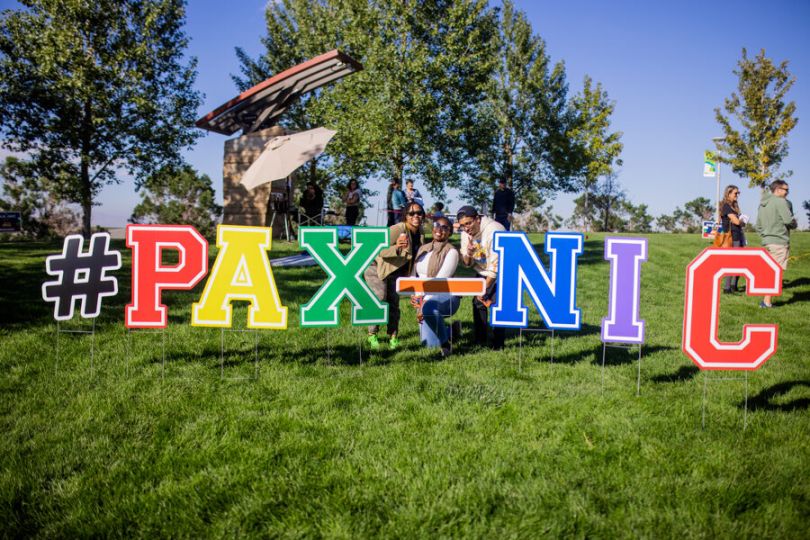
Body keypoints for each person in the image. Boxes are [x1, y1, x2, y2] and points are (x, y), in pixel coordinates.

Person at [364, 201, 425, 350]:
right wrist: (397, 248)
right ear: (405, 216)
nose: (415, 216)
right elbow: (377, 250)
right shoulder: (397, 229)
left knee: (394, 304)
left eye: (419, 213)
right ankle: (372, 335)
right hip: (377, 267)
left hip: (397, 271)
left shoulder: (421, 233)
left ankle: (393, 336)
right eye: (411, 213)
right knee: (380, 298)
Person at [457, 205, 505, 349]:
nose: (466, 228)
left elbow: (496, 267)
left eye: (468, 223)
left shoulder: (494, 230)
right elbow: (467, 264)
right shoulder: (466, 233)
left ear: (478, 219)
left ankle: (498, 343)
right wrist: (469, 253)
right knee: (478, 303)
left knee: (497, 305)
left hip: (502, 272)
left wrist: (484, 288)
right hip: (482, 271)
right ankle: (480, 339)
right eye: (462, 226)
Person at [410, 216, 460, 357]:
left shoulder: (452, 252)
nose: (440, 229)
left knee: (428, 309)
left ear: (450, 232)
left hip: (446, 295)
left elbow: (439, 282)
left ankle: (446, 345)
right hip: (425, 296)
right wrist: (416, 296)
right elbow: (415, 276)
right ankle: (451, 330)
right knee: (429, 345)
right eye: (437, 225)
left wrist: (422, 303)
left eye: (445, 227)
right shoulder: (423, 249)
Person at [756, 180, 797, 308]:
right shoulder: (781, 202)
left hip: (766, 242)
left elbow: (758, 226)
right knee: (776, 272)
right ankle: (766, 302)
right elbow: (788, 220)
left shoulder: (762, 204)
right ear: (778, 189)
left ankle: (765, 300)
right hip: (779, 242)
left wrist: (765, 236)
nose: (787, 192)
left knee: (769, 271)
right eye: (786, 190)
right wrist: (794, 223)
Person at [720, 184, 748, 293]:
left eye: (738, 193)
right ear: (729, 193)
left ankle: (734, 286)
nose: (737, 195)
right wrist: (742, 222)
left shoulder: (734, 206)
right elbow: (736, 221)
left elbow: (738, 221)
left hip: (739, 236)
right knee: (733, 263)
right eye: (736, 193)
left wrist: (741, 222)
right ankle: (727, 288)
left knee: (740, 263)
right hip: (732, 238)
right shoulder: (726, 206)